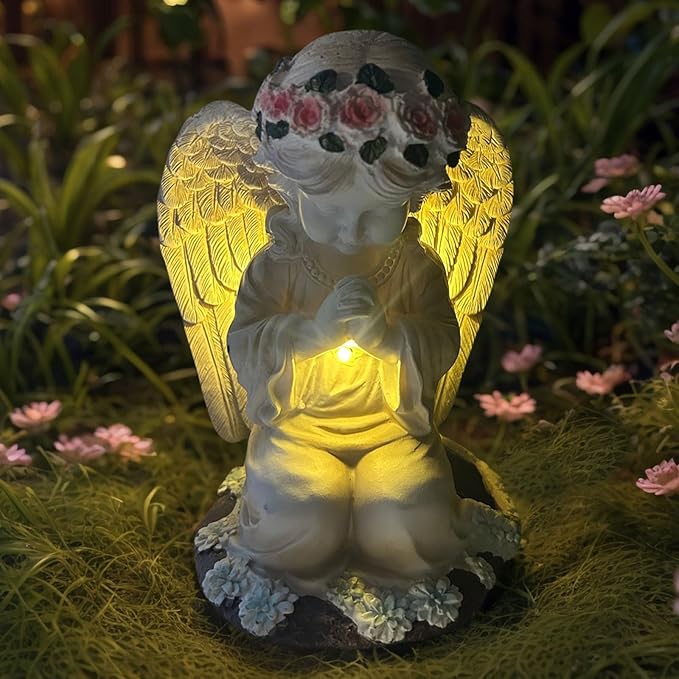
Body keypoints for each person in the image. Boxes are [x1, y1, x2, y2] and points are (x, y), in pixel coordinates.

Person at [226, 31, 474, 595]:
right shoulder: (278, 264)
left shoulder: (414, 267)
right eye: (328, 211)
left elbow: (443, 337)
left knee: (406, 525)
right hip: (297, 432)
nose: (349, 233)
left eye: (376, 215)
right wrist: (309, 335)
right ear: (290, 189)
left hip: (394, 431)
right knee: (303, 526)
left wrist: (390, 340)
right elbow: (244, 342)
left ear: (415, 197)